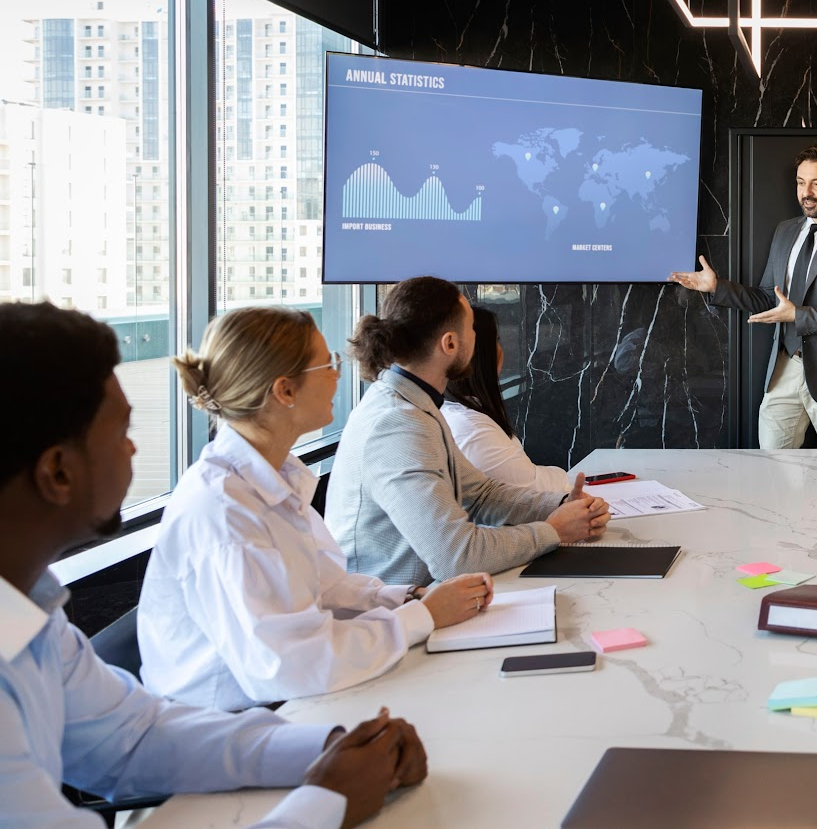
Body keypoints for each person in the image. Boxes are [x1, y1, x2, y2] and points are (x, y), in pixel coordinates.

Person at [0, 300, 427, 829]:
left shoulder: (32, 613)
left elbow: (134, 736)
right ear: (58, 474)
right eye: (120, 432)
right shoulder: (219, 508)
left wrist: (328, 748)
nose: (134, 450)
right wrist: (326, 802)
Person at [138, 306, 494, 713]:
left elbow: (325, 586)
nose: (337, 374)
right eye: (328, 363)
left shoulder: (276, 473)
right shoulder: (225, 511)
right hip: (232, 723)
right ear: (284, 391)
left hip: (286, 699)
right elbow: (292, 663)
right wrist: (422, 617)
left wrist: (408, 597)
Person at [325, 277, 609, 586]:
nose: (478, 338)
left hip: (422, 603)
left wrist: (560, 505)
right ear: (450, 343)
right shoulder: (398, 424)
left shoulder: (415, 403)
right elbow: (456, 556)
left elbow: (480, 494)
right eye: (471, 327)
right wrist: (554, 531)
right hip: (389, 618)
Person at [668, 144, 817, 449]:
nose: (806, 192)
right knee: (772, 467)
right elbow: (770, 298)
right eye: (800, 182)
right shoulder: (786, 231)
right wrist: (717, 287)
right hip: (784, 368)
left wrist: (798, 315)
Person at [441, 306, 568, 492]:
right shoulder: (472, 429)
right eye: (496, 340)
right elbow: (530, 487)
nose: (500, 349)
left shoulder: (458, 414)